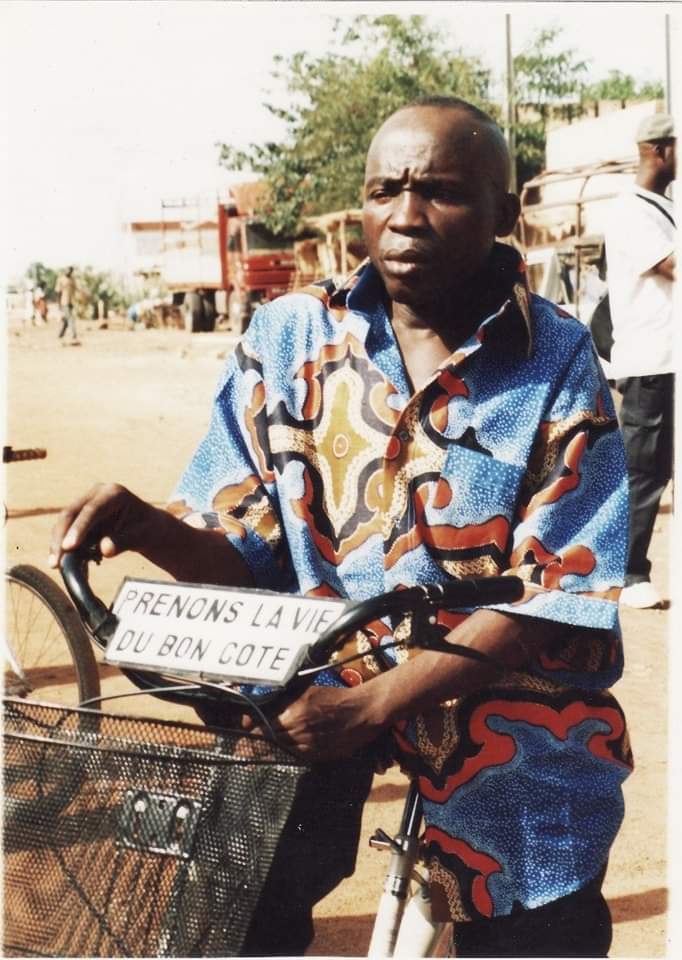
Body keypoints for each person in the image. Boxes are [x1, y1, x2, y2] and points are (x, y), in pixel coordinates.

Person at [50, 97, 631, 957]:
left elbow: (560, 588)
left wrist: (375, 708)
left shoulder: (556, 358)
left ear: (505, 213)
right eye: (384, 190)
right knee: (231, 910)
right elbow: (244, 550)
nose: (405, 217)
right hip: (313, 689)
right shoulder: (289, 337)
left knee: (544, 923)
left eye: (441, 192)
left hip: (499, 706)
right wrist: (144, 526)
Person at [604, 113, 676, 609]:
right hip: (652, 360)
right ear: (661, 151)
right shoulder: (632, 210)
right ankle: (628, 574)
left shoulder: (662, 207)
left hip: (670, 359)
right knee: (644, 470)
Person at [56, 266, 79, 343]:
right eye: (68, 270)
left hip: (71, 302)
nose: (69, 272)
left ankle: (61, 334)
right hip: (64, 302)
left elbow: (76, 290)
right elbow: (58, 293)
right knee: (70, 318)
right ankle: (74, 334)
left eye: (70, 271)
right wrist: (59, 304)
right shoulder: (61, 279)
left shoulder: (73, 280)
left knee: (66, 320)